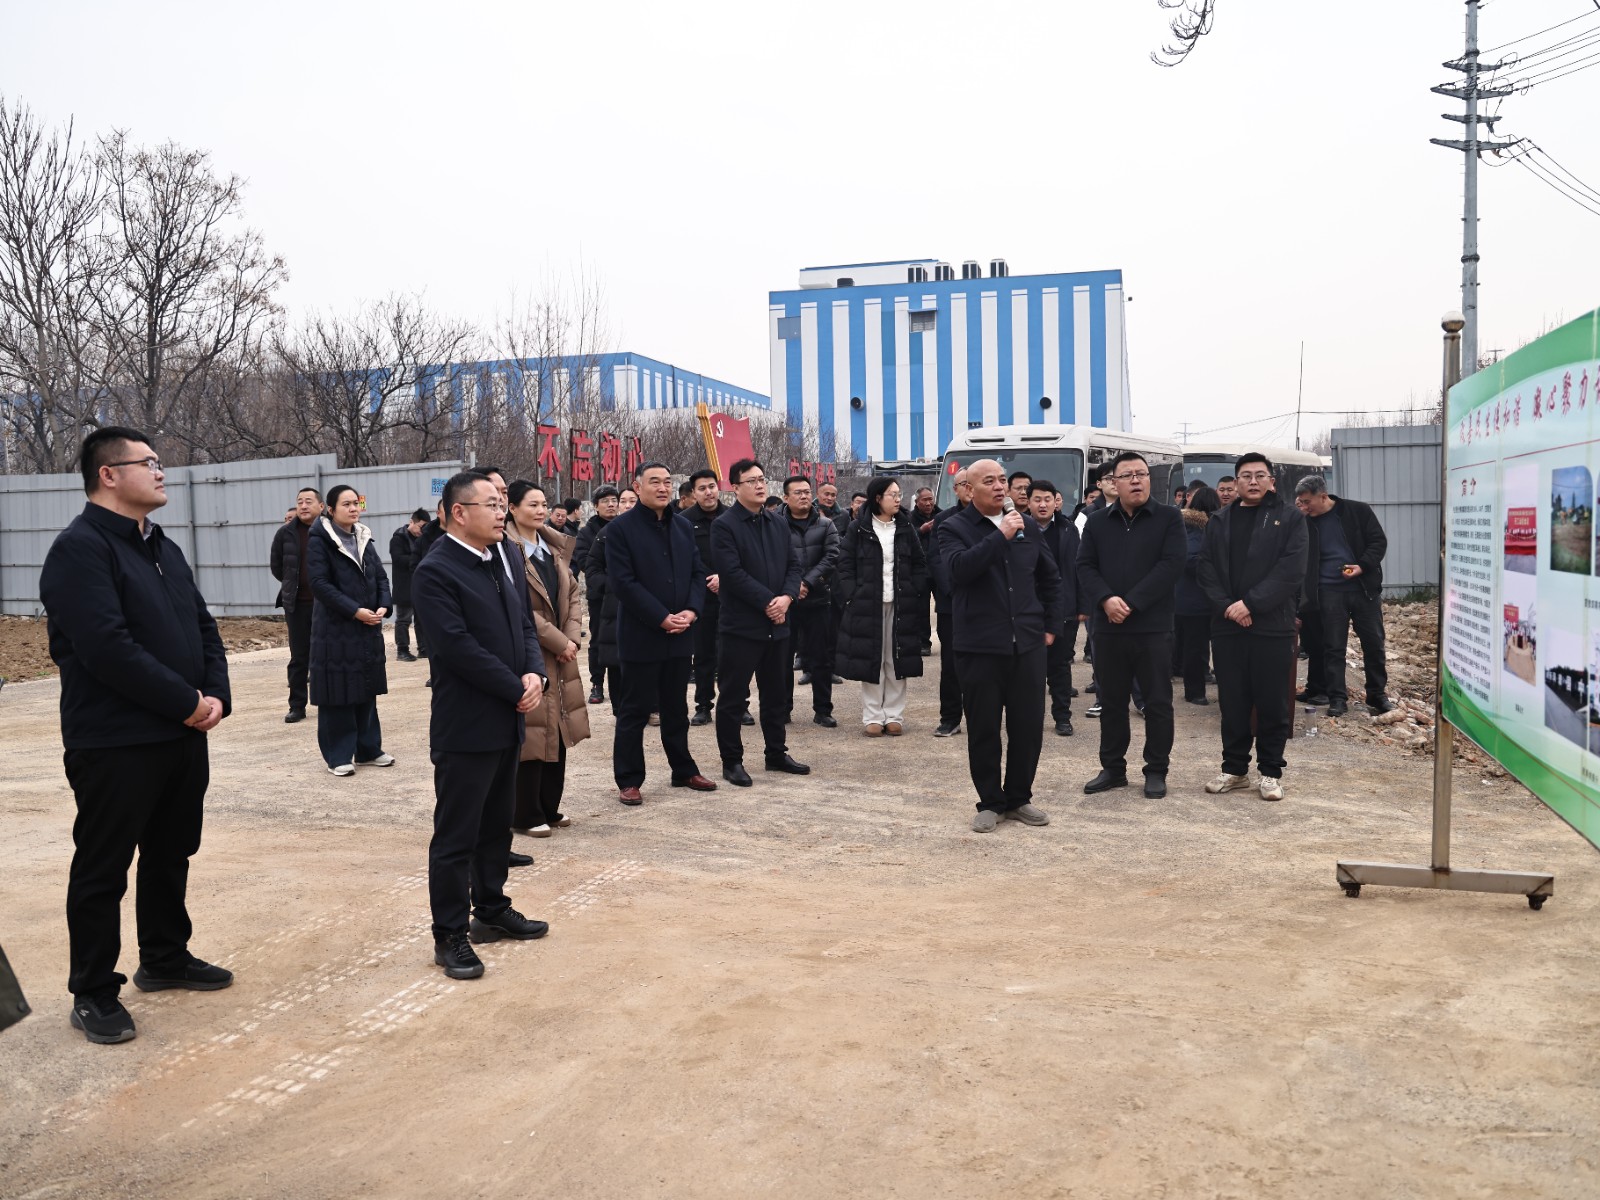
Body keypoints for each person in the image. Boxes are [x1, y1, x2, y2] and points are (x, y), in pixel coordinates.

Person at [40, 426, 233, 1044]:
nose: (160, 471)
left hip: (181, 735)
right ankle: (93, 990)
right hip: (115, 741)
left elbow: (202, 626)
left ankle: (165, 957)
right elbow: (106, 649)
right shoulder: (79, 550)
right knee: (104, 866)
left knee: (171, 851)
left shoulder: (161, 546)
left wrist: (215, 695)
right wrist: (186, 702)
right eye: (147, 462)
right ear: (108, 474)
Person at [412, 471, 549, 980]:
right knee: (457, 836)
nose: (500, 512)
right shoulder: (436, 571)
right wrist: (515, 687)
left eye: (501, 503)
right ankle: (449, 934)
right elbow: (457, 648)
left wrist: (533, 673)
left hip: (508, 717)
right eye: (490, 504)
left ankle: (490, 909)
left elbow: (524, 625)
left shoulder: (500, 557)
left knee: (495, 825)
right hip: (467, 724)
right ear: (458, 512)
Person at [938, 459, 1061, 832]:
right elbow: (958, 571)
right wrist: (1000, 535)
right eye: (988, 481)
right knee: (984, 727)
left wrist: (1051, 626)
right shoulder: (953, 527)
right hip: (979, 646)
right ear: (969, 489)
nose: (998, 486)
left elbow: (1050, 578)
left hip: (1027, 644)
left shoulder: (1027, 526)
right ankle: (991, 802)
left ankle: (1019, 798)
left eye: (1002, 480)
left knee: (1027, 727)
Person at [1198, 454, 1309, 801]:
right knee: (1233, 701)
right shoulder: (1220, 519)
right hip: (1228, 626)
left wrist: (1251, 604)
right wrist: (1229, 608)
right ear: (1235, 483)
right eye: (1246, 476)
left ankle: (1270, 772)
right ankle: (1234, 769)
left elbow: (1291, 570)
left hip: (1271, 626)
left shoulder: (1289, 518)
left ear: (1271, 481)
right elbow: (1205, 568)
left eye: (1260, 475)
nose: (1253, 481)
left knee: (1272, 702)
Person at [607, 462, 718, 803]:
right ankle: (629, 779)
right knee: (635, 710)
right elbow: (623, 583)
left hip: (681, 633)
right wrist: (660, 617)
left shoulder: (682, 526)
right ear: (637, 487)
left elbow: (697, 572)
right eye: (654, 481)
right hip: (642, 634)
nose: (662, 487)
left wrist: (692, 610)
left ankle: (683, 769)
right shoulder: (621, 529)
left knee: (676, 708)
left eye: (667, 482)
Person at [1076, 451, 1185, 799]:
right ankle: (1113, 768)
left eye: (1141, 474)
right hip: (1109, 627)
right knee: (1112, 702)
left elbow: (1172, 565)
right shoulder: (1096, 522)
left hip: (1153, 627)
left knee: (1157, 702)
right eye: (1127, 475)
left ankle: (1156, 770)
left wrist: (1132, 602)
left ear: (1149, 480)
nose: (1136, 480)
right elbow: (1084, 566)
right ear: (1114, 482)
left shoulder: (1168, 518)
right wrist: (1106, 599)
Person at [710, 458, 809, 784]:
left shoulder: (777, 522)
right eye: (751, 480)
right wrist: (769, 602)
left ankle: (776, 753)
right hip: (742, 627)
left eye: (762, 479)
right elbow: (732, 573)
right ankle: (732, 761)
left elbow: (794, 566)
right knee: (733, 697)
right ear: (735, 487)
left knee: (776, 695)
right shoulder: (724, 526)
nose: (759, 485)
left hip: (777, 626)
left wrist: (787, 598)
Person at [505, 481, 591, 837]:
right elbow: (519, 606)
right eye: (532, 504)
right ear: (512, 509)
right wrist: (558, 641)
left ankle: (549, 806)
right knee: (533, 732)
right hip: (531, 650)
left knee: (558, 727)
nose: (541, 511)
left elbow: (572, 595)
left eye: (543, 504)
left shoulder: (552, 546)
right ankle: (525, 814)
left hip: (561, 651)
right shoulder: (505, 550)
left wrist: (571, 637)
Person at [307, 484, 394, 776]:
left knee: (366, 687)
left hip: (366, 627)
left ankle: (369, 750)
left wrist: (383, 605)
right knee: (338, 692)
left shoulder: (363, 537)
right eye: (346, 504)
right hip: (335, 628)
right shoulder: (320, 540)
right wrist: (354, 610)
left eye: (356, 503)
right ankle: (339, 755)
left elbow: (380, 576)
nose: (354, 508)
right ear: (330, 510)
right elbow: (320, 584)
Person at [1292, 474, 1393, 717]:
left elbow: (1378, 542)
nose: (1304, 506)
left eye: (1307, 502)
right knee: (1333, 647)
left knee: (1373, 644)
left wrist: (1362, 566)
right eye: (1300, 502)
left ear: (1323, 496)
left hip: (1364, 590)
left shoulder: (1357, 511)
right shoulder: (1304, 522)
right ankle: (1337, 698)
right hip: (1329, 592)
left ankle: (1377, 694)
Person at [836, 476, 928, 737]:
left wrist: (915, 589)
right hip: (868, 605)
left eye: (899, 495)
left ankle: (894, 715)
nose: (898, 499)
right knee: (872, 659)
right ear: (878, 498)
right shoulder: (859, 528)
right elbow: (844, 565)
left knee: (896, 659)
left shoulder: (905, 527)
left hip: (901, 604)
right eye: (893, 495)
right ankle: (873, 716)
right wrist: (852, 596)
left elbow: (920, 563)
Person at [780, 474, 841, 727]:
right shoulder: (775, 525)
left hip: (818, 600)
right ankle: (783, 709)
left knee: (821, 658)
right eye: (798, 492)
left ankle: (823, 710)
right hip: (785, 603)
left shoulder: (826, 525)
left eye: (807, 491)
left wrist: (806, 583)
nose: (804, 496)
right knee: (782, 659)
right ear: (786, 498)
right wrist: (793, 587)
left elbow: (832, 556)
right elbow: (773, 559)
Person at [1028, 479, 1079, 736]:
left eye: (1047, 499)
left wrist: (1081, 605)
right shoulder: (1018, 528)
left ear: (1055, 502)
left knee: (1060, 666)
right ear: (1028, 502)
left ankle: (1062, 717)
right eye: (1037, 499)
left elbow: (1078, 568)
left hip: (1062, 608)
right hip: (1028, 608)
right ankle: (1031, 718)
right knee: (1030, 670)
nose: (1043, 504)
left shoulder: (1068, 529)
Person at [269, 486, 322, 721]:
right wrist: (294, 583)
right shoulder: (285, 533)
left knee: (326, 655)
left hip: (326, 604)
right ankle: (297, 706)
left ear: (321, 506)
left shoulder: (330, 530)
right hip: (297, 605)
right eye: (300, 501)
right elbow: (277, 567)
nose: (303, 505)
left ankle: (328, 701)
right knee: (299, 657)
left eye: (308, 501)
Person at [928, 469, 974, 736]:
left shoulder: (995, 517)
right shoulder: (944, 519)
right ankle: (950, 717)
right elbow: (936, 559)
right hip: (952, 603)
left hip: (986, 603)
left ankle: (980, 715)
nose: (969, 488)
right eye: (964, 484)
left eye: (972, 483)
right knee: (951, 663)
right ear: (955, 489)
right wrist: (953, 590)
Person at [573, 486, 619, 702]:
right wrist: (611, 581)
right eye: (605, 501)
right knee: (599, 639)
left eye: (614, 500)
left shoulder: (625, 527)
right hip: (600, 595)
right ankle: (597, 683)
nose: (611, 505)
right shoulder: (586, 533)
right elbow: (584, 562)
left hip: (624, 596)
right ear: (595, 506)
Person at [1176, 486, 1221, 704]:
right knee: (1196, 648)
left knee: (1197, 647)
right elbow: (1191, 560)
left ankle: (1198, 686)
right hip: (1196, 599)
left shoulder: (1187, 526)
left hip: (1192, 599)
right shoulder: (1196, 528)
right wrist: (1217, 568)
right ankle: (1194, 692)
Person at [390, 507, 429, 662]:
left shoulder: (423, 539)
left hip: (420, 585)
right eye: (420, 527)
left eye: (425, 528)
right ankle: (402, 650)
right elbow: (398, 559)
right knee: (403, 619)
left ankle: (423, 648)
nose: (421, 531)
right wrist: (418, 559)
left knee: (422, 619)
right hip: (404, 585)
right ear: (411, 522)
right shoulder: (398, 538)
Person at [911, 486, 939, 652]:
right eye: (924, 500)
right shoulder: (909, 518)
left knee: (944, 606)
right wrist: (920, 531)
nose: (928, 503)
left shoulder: (942, 516)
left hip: (939, 569)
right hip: (919, 570)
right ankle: (923, 643)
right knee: (921, 608)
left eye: (930, 499)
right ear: (917, 502)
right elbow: (905, 538)